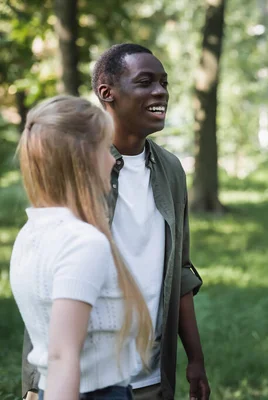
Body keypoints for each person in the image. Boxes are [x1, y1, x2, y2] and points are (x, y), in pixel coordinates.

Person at [21, 44, 210, 400]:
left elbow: (180, 271)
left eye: (164, 83)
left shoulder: (170, 170)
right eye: (145, 82)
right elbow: (47, 276)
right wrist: (37, 383)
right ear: (107, 93)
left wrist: (195, 359)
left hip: (151, 374)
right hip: (84, 379)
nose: (160, 92)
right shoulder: (78, 169)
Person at [11, 95, 154, 400]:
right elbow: (63, 356)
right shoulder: (83, 243)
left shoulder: (30, 233)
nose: (113, 159)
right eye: (105, 148)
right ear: (84, 159)